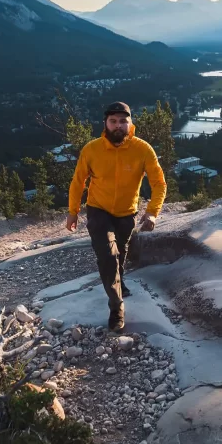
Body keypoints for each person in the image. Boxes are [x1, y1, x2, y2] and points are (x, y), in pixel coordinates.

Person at [65, 101, 167, 331]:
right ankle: (116, 307)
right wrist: (73, 212)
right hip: (98, 210)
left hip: (127, 213)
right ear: (105, 124)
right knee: (108, 256)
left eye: (123, 121)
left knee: (120, 254)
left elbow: (159, 183)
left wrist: (152, 212)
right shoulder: (92, 149)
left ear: (131, 124)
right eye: (113, 121)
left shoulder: (143, 149)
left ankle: (119, 283)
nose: (118, 125)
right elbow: (78, 182)